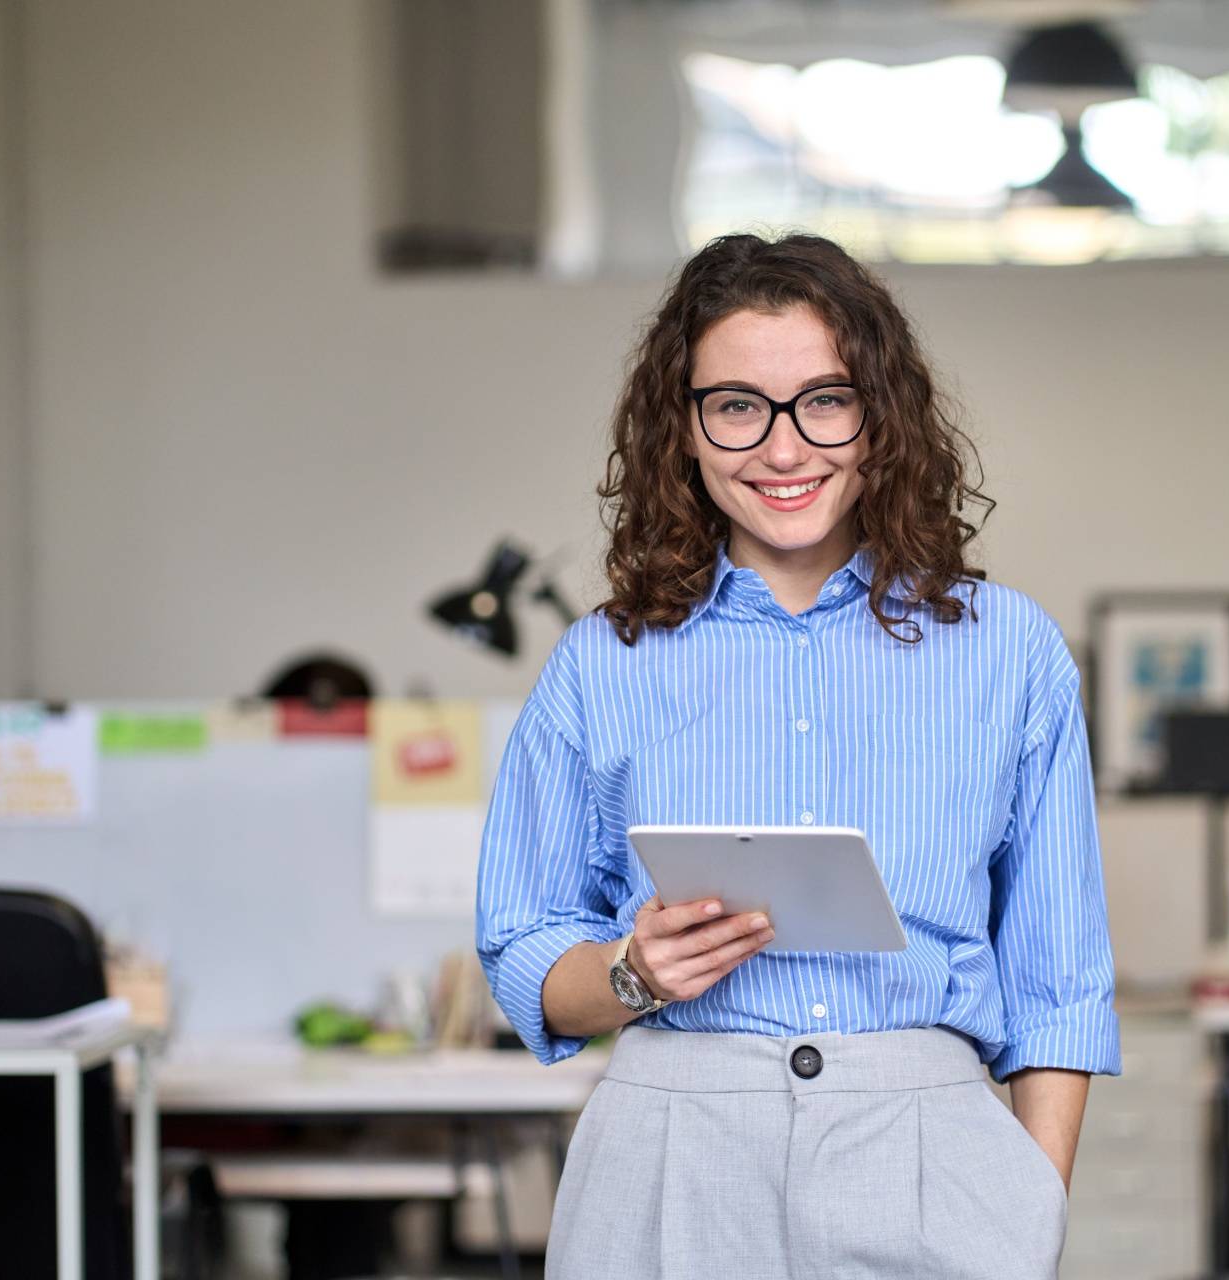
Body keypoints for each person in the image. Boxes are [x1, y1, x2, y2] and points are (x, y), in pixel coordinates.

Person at [476, 232, 1119, 1279]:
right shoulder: (604, 661)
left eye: (826, 399)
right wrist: (633, 975)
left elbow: (1059, 982)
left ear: (882, 416)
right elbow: (521, 949)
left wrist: (1026, 1207)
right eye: (736, 404)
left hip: (932, 1146)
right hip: (672, 1154)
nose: (783, 448)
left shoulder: (1009, 650)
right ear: (681, 427)